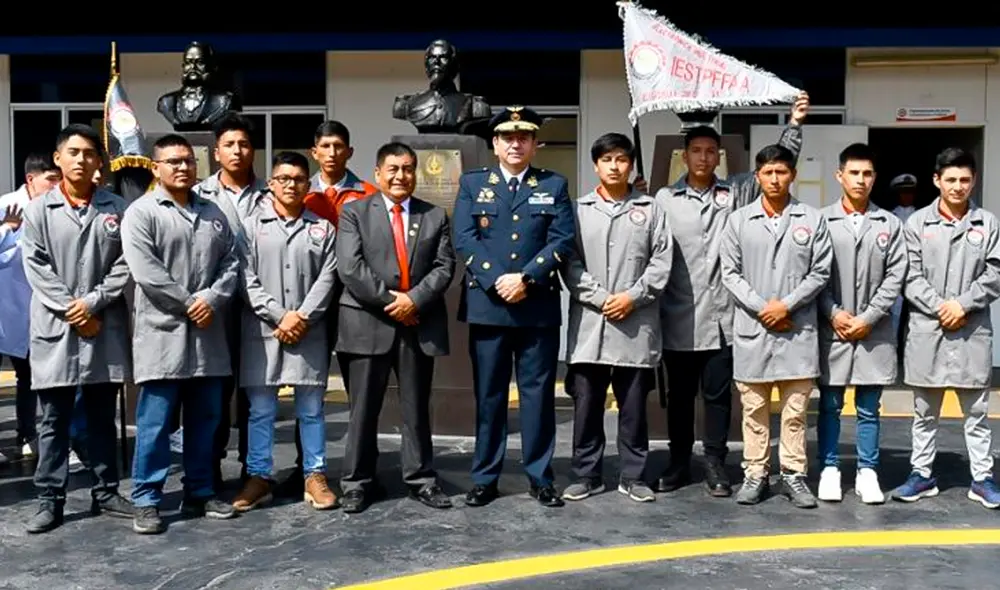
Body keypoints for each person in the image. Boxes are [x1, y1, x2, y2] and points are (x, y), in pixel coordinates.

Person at [654, 92, 810, 496]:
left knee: (719, 398)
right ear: (684, 156)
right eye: (697, 151)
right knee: (681, 397)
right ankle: (677, 462)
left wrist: (794, 125)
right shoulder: (664, 199)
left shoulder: (737, 193)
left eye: (711, 152)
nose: (704, 158)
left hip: (724, 319)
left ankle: (715, 465)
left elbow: (774, 164)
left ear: (719, 156)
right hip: (678, 316)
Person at [453, 106, 576, 508]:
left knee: (537, 397)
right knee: (489, 397)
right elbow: (465, 238)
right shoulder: (474, 184)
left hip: (535, 305)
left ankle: (541, 477)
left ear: (535, 144)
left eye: (524, 137)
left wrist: (526, 278)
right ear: (495, 144)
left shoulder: (554, 185)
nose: (516, 143)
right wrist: (496, 279)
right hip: (489, 306)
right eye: (508, 137)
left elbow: (561, 239)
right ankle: (485, 477)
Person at [123, 134, 240, 534]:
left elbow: (231, 264)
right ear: (156, 168)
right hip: (162, 335)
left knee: (205, 420)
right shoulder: (141, 213)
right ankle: (147, 499)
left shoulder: (215, 213)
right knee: (155, 424)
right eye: (172, 161)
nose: (182, 168)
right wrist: (190, 303)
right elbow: (146, 272)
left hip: (208, 337)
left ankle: (201, 491)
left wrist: (211, 298)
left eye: (188, 161)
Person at [19, 124, 134, 533]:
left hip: (102, 325)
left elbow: (125, 264)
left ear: (99, 161)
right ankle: (50, 498)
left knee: (103, 417)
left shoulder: (116, 209)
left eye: (89, 153)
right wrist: (73, 308)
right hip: (57, 326)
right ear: (58, 158)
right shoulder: (38, 211)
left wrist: (93, 303)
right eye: (74, 152)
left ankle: (106, 491)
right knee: (53, 420)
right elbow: (36, 266)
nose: (82, 160)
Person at [336, 142, 456, 513]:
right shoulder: (354, 212)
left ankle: (420, 478)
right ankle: (357, 482)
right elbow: (350, 267)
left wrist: (413, 300)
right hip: (367, 323)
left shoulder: (434, 215)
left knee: (416, 407)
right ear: (377, 173)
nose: (401, 176)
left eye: (407, 169)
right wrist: (393, 303)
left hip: (417, 323)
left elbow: (444, 267)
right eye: (393, 169)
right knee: (363, 409)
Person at [560, 133, 672, 503]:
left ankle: (634, 475)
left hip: (635, 325)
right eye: (607, 159)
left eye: (622, 159)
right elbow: (569, 262)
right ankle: (586, 473)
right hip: (591, 326)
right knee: (587, 405)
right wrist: (603, 298)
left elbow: (661, 263)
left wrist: (632, 297)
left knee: (634, 408)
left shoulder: (651, 209)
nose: (614, 166)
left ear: (631, 165)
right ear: (596, 165)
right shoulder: (577, 210)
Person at [720, 144, 833, 509]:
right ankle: (755, 473)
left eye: (781, 172)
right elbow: (730, 273)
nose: (774, 178)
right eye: (767, 172)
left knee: (795, 411)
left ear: (792, 176)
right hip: (754, 330)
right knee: (753, 410)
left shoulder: (812, 220)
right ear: (757, 177)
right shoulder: (738, 221)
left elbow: (820, 272)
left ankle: (794, 475)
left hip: (796, 329)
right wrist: (762, 307)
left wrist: (785, 305)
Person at [232, 152, 340, 512]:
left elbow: (329, 277)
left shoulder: (322, 229)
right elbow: (244, 278)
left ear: (308, 185)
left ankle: (315, 474)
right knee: (261, 410)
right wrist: (279, 316)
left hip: (308, 332)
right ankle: (259, 476)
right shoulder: (249, 227)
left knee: (311, 409)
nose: (291, 184)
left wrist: (302, 316)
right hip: (264, 332)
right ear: (271, 183)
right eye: (283, 178)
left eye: (298, 179)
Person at [892, 148, 1000, 509]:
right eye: (951, 180)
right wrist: (942, 307)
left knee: (977, 412)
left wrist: (962, 305)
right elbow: (909, 275)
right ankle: (922, 475)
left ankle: (982, 479)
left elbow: (995, 273)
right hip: (929, 328)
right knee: (924, 412)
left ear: (974, 181)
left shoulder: (987, 223)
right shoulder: (917, 224)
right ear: (937, 181)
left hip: (971, 330)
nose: (958, 187)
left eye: (965, 180)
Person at [816, 143, 906, 504]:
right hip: (833, 328)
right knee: (830, 403)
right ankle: (829, 468)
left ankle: (868, 471)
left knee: (869, 406)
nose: (860, 180)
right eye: (853, 173)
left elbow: (896, 275)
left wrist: (868, 317)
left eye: (867, 173)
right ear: (839, 176)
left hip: (874, 331)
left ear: (874, 178)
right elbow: (813, 276)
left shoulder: (889, 223)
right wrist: (834, 312)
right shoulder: (821, 220)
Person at [194, 112, 269, 491]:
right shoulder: (197, 195)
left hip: (260, 310)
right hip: (217, 309)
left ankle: (253, 469)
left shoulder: (272, 193)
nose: (237, 151)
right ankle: (209, 469)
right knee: (215, 393)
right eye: (229, 145)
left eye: (244, 144)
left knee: (256, 393)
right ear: (216, 151)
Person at [0, 154, 61, 464]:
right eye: (50, 179)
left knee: (29, 377)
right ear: (30, 179)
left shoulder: (54, 210)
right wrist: (7, 230)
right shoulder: (6, 205)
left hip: (33, 308)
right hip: (3, 306)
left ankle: (27, 434)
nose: (56, 185)